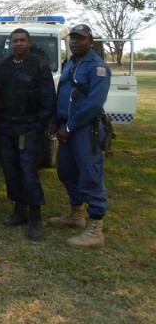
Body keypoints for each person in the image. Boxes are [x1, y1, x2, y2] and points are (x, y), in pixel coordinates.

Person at [47, 24, 111, 249]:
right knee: (66, 172)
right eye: (73, 38)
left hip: (85, 130)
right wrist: (56, 121)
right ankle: (76, 214)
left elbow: (94, 103)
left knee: (90, 175)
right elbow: (62, 94)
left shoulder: (98, 67)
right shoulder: (70, 64)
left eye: (81, 38)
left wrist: (70, 126)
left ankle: (96, 230)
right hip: (66, 127)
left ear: (90, 41)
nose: (75, 42)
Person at [0, 28, 56, 240]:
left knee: (28, 171)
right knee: (10, 170)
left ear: (29, 42)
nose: (18, 44)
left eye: (22, 40)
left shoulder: (40, 65)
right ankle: (19, 211)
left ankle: (35, 218)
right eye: (15, 41)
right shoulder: (4, 66)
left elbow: (48, 100)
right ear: (10, 44)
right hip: (6, 127)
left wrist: (39, 127)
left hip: (28, 128)